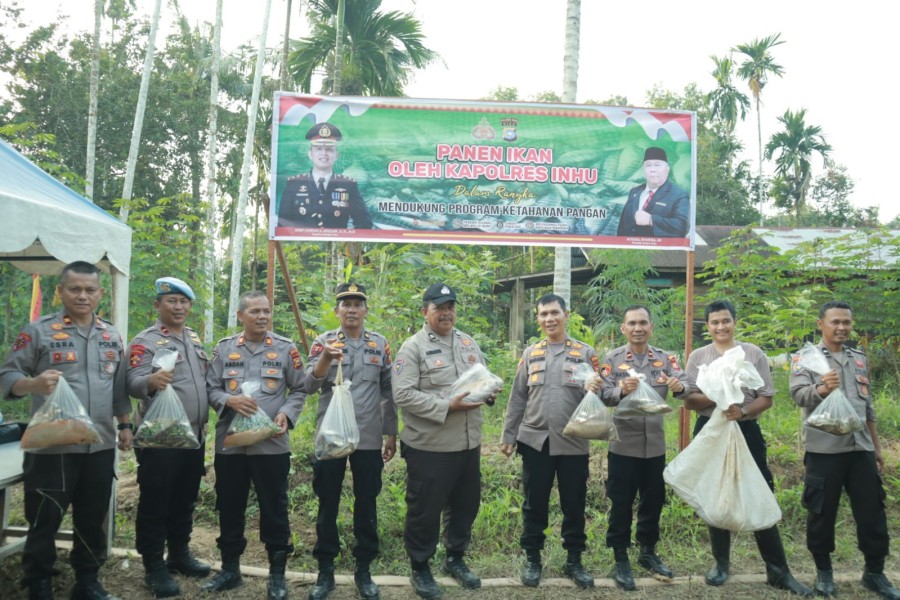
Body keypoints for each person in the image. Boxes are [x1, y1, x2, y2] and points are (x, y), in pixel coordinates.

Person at [0, 261, 131, 600]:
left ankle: (87, 582)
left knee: (92, 518)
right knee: (44, 519)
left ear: (100, 293)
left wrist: (126, 424)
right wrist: (32, 384)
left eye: (90, 290)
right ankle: (39, 583)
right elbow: (6, 378)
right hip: (52, 448)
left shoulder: (111, 335)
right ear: (60, 291)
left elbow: (118, 389)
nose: (83, 296)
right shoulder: (38, 331)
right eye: (75, 289)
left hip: (99, 446)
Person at [684, 299, 812, 596]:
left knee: (759, 491)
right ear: (708, 327)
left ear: (734, 322)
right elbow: (690, 401)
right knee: (716, 495)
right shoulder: (699, 357)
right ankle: (721, 564)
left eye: (726, 320)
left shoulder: (752, 353)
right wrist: (720, 393)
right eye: (715, 322)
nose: (721, 327)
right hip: (711, 430)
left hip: (745, 428)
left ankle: (778, 571)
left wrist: (742, 410)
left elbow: (766, 397)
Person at [790, 301, 899, 599]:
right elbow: (798, 395)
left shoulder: (859, 359)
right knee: (821, 512)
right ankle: (824, 573)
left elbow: (868, 407)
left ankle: (874, 573)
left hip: (860, 447)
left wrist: (876, 448)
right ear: (820, 324)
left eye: (847, 323)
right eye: (835, 322)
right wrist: (822, 389)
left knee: (872, 511)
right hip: (824, 450)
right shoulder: (806, 358)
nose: (842, 328)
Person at [202, 291, 306, 600]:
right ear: (241, 316)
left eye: (266, 311)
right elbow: (210, 388)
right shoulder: (224, 350)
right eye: (256, 312)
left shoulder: (286, 349)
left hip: (271, 445)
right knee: (230, 506)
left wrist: (287, 412)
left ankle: (277, 576)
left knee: (275, 507)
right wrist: (227, 399)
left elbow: (300, 389)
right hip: (231, 446)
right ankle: (230, 570)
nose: (262, 316)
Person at [391, 283, 491, 600]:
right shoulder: (413, 348)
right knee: (425, 509)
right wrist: (447, 405)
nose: (446, 312)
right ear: (425, 311)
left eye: (450, 307)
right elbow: (403, 395)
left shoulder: (467, 342)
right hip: (430, 447)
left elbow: (481, 379)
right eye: (439, 307)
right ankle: (420, 566)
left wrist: (488, 392)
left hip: (468, 444)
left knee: (465, 505)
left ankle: (455, 559)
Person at [304, 283, 397, 600]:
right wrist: (326, 360)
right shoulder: (323, 342)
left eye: (358, 304)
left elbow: (388, 391)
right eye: (346, 304)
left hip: (369, 437)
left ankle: (364, 570)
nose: (352, 309)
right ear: (337, 311)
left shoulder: (379, 344)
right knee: (327, 502)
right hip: (331, 436)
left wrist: (391, 433)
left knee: (366, 502)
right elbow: (309, 384)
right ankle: (325, 571)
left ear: (366, 310)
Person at [500, 293, 599, 590]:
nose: (549, 319)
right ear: (538, 319)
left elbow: (602, 395)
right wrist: (508, 435)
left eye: (554, 313)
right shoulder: (531, 353)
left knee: (574, 504)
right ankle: (533, 559)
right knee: (534, 504)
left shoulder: (584, 352)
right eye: (543, 314)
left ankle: (574, 560)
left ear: (566, 314)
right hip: (535, 441)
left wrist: (596, 385)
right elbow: (518, 396)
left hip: (573, 441)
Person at [127, 277, 211, 598]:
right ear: (158, 305)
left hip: (194, 435)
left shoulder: (192, 338)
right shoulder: (146, 341)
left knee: (185, 497)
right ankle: (153, 566)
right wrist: (151, 380)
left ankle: (178, 554)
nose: (178, 307)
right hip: (161, 436)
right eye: (171, 301)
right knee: (156, 500)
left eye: (184, 302)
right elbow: (133, 381)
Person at [598, 305, 687, 590]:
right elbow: (602, 394)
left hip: (655, 447)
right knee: (621, 502)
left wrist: (679, 387)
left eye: (643, 323)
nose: (638, 328)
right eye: (632, 323)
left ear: (651, 326)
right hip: (623, 446)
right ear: (623, 328)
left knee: (653, 501)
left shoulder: (665, 358)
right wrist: (620, 391)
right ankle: (620, 556)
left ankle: (647, 551)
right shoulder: (612, 359)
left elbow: (686, 383)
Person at [277, 122, 374, 230]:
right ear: (310, 154)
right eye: (318, 148)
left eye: (329, 149)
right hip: (302, 246)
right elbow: (283, 225)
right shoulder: (294, 184)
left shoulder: (348, 185)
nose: (324, 153)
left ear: (336, 155)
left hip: (338, 246)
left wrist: (347, 243)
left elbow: (364, 223)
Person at [616, 146, 690, 238]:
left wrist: (651, 220)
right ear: (644, 169)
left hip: (659, 251)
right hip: (630, 250)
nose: (653, 170)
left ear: (667, 169)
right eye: (648, 165)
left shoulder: (679, 195)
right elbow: (623, 225)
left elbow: (682, 226)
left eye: (657, 165)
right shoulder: (634, 192)